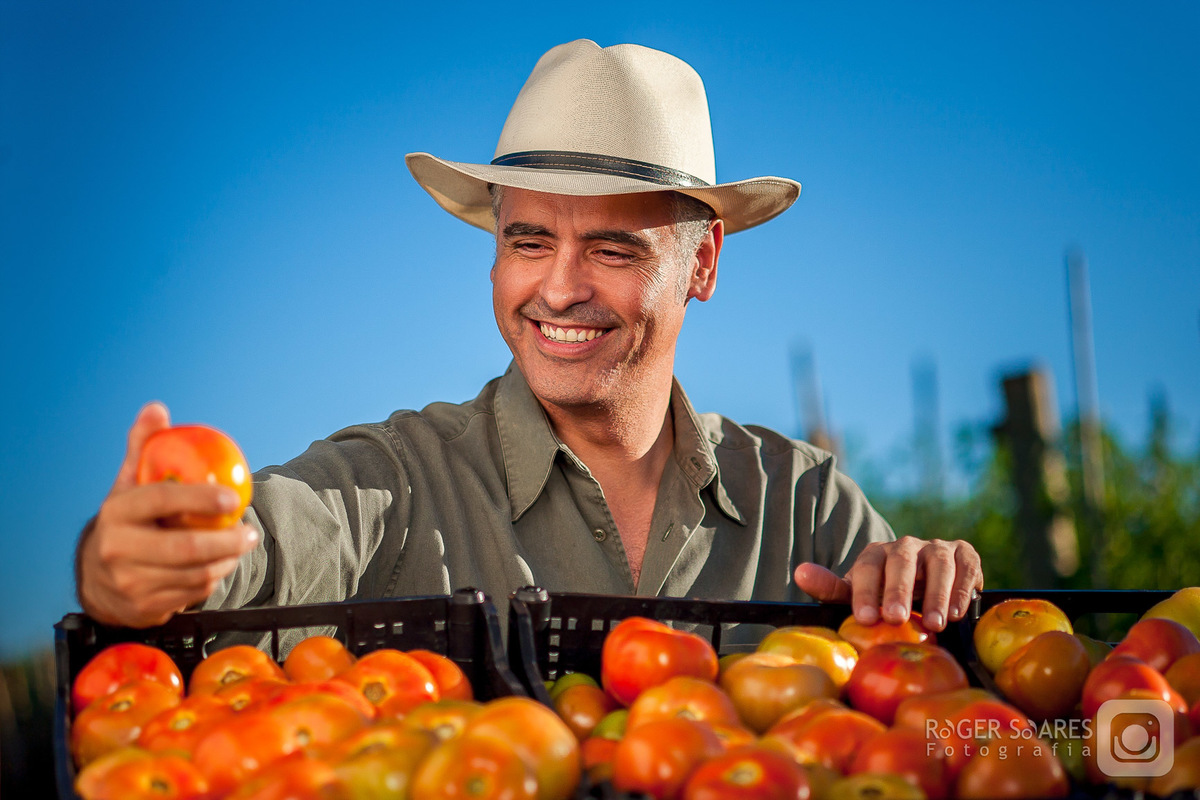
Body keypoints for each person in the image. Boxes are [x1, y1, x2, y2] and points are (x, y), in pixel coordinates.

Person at [75, 40, 982, 637]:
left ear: (703, 264)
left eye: (613, 248)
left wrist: (927, 584)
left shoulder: (804, 503)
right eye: (529, 240)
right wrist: (127, 570)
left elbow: (938, 693)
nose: (558, 287)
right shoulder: (395, 481)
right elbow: (254, 547)